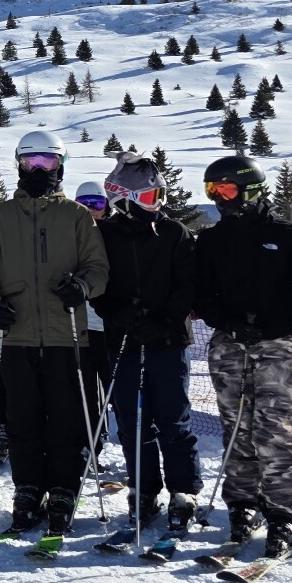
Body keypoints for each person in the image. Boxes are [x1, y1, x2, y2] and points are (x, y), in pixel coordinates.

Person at [192, 154, 292, 557]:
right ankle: (243, 504)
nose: (219, 199)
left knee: (274, 429)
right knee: (237, 427)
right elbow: (201, 294)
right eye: (212, 190)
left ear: (251, 190)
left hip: (277, 342)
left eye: (226, 190)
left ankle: (286, 512)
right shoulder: (211, 240)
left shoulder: (285, 234)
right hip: (230, 343)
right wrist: (229, 323)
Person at [0, 129, 109, 540]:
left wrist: (82, 287)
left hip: (67, 334)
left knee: (66, 418)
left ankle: (63, 489)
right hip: (16, 333)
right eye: (31, 162)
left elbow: (98, 268)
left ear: (60, 166)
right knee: (22, 419)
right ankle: (28, 488)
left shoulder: (77, 216)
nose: (38, 170)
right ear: (19, 165)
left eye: (47, 162)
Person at [92, 153, 200, 543]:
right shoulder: (104, 236)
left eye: (160, 197)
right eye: (152, 197)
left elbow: (188, 284)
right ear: (124, 199)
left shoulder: (174, 233)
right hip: (124, 340)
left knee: (173, 419)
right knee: (133, 422)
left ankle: (183, 492)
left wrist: (164, 320)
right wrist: (113, 311)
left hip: (167, 341)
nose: (158, 205)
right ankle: (145, 490)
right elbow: (95, 281)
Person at [73, 181, 113, 462]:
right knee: (84, 392)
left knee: (117, 391)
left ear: (106, 206)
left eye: (96, 204)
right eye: (83, 204)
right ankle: (90, 444)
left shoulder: (114, 235)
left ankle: (132, 447)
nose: (90, 210)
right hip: (80, 328)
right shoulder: (70, 236)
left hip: (110, 327)